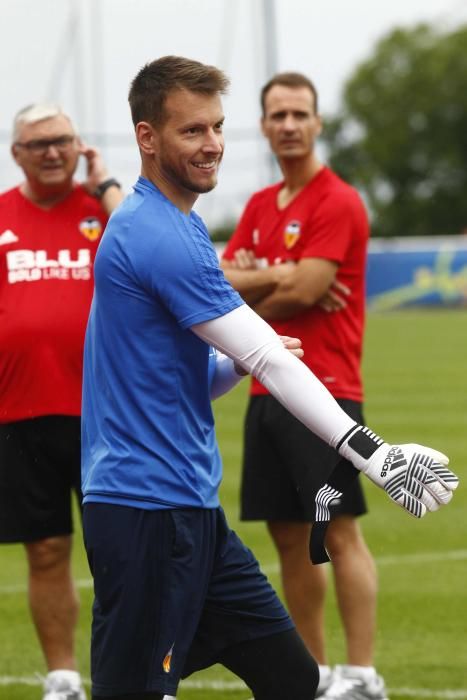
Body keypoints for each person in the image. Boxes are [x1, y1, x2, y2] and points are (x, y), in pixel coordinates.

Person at [80, 55, 458, 700]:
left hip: (189, 508)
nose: (213, 145)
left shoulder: (180, 223)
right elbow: (271, 361)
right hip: (146, 511)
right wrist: (375, 454)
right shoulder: (156, 232)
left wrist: (229, 361)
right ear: (147, 137)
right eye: (192, 131)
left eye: (218, 127)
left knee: (291, 674)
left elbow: (187, 376)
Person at [219, 71, 385, 698]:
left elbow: (307, 291)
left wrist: (260, 279)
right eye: (277, 115)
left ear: (317, 122)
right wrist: (276, 277)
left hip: (326, 391)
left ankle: (364, 674)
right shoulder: (261, 205)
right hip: (265, 388)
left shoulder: (338, 200)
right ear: (262, 125)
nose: (288, 125)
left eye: (299, 114)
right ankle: (314, 674)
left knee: (337, 530)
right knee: (289, 537)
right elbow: (218, 282)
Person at [0, 103, 124, 700]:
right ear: (17, 153)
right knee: (45, 549)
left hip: (107, 413)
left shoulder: (108, 214)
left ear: (81, 147)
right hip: (18, 413)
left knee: (119, 550)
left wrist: (106, 187)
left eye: (62, 141)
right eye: (38, 143)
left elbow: (159, 248)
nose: (52, 152)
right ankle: (63, 679)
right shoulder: (1, 216)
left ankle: (130, 672)